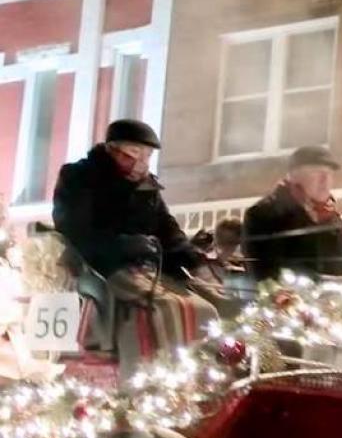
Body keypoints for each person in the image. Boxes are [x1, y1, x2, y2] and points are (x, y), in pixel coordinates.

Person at [53, 120, 229, 371]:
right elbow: (74, 227)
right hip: (101, 264)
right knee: (165, 308)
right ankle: (148, 374)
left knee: (205, 308)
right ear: (112, 150)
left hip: (146, 267)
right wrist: (124, 245)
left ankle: (193, 375)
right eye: (133, 154)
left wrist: (194, 261)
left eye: (147, 156)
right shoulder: (80, 177)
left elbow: (168, 231)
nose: (141, 162)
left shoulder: (147, 187)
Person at [244, 146, 342, 284]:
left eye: (329, 174)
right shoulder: (264, 213)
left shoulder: (332, 218)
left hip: (334, 295)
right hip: (292, 294)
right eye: (317, 173)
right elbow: (266, 273)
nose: (325, 180)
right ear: (294, 176)